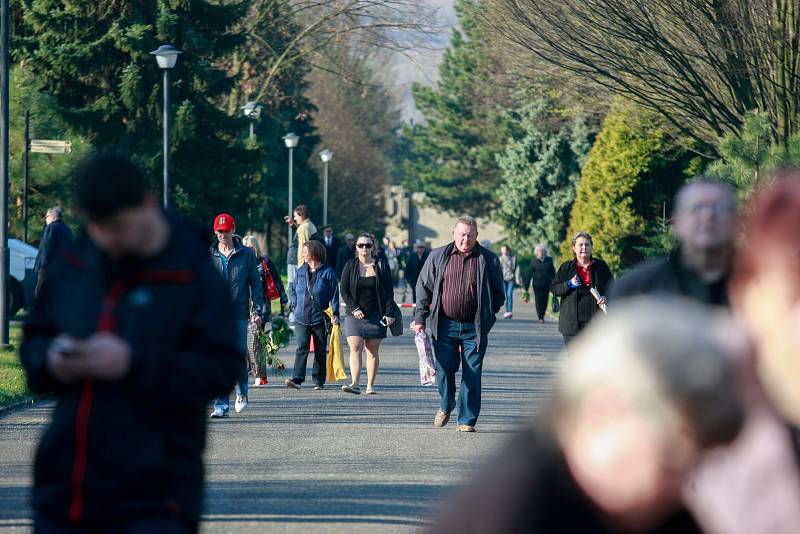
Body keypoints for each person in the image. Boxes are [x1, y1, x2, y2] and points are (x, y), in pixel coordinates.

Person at [20, 154, 241, 532]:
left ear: (147, 205)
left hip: (154, 497)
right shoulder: (78, 260)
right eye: (97, 227)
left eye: (117, 227)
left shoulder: (193, 273)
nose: (106, 239)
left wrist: (132, 362)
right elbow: (35, 338)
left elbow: (220, 369)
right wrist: (50, 360)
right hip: (65, 491)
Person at [430, 299, 744, 534]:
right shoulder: (513, 508)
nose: (685, 485)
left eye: (699, 462)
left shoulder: (657, 508)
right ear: (603, 412)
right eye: (672, 458)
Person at [414, 216, 504, 432]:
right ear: (454, 233)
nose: (466, 239)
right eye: (462, 234)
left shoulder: (489, 260)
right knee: (445, 369)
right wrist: (420, 319)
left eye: (470, 235)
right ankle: (446, 403)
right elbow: (423, 287)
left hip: (475, 328)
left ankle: (466, 419)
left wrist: (488, 314)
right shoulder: (438, 256)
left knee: (472, 372)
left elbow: (499, 294)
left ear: (476, 236)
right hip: (445, 325)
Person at [611, 179, 736, 306]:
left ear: (736, 221)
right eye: (695, 207)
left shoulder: (755, 290)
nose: (708, 214)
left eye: (719, 208)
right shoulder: (636, 290)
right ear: (676, 223)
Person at [209, 213, 264, 417]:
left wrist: (257, 310)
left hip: (239, 312)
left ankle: (242, 393)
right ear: (215, 232)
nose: (223, 234)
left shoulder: (246, 254)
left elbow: (255, 284)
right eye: (219, 231)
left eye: (226, 230)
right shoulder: (210, 254)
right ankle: (221, 404)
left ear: (233, 230)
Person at [339, 233, 396, 395]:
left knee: (372, 351)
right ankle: (355, 383)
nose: (364, 248)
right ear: (356, 247)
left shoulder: (382, 266)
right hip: (354, 315)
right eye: (361, 245)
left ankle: (370, 385)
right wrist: (354, 308)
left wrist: (389, 312)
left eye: (368, 245)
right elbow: (343, 289)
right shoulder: (350, 265)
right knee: (355, 347)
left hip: (376, 315)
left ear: (373, 248)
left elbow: (388, 292)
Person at [285, 240, 339, 390]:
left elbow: (335, 295)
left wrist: (335, 314)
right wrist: (294, 305)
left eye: (304, 251)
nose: (302, 254)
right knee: (301, 347)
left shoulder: (328, 272)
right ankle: (297, 378)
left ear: (313, 253)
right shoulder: (301, 270)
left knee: (320, 349)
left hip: (319, 318)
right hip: (301, 317)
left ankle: (318, 381)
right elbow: (292, 288)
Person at [551, 232, 613, 346]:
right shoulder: (566, 268)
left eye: (587, 244)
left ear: (591, 247)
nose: (584, 248)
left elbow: (612, 287)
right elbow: (554, 289)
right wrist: (569, 284)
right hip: (571, 324)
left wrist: (606, 297)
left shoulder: (601, 266)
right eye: (580, 245)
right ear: (574, 248)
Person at [242, 235, 288, 386]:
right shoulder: (240, 262)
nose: (248, 249)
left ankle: (260, 375)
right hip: (242, 305)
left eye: (250, 246)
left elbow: (276, 280)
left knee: (256, 340)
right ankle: (251, 370)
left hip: (260, 306)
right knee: (246, 341)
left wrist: (283, 299)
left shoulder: (264, 261)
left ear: (255, 247)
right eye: (245, 246)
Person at [33, 206, 73, 296]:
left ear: (52, 217)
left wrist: (42, 265)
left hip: (48, 266)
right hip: (62, 266)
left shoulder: (51, 227)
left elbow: (46, 247)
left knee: (40, 291)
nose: (45, 219)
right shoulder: (67, 229)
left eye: (46, 216)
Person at [523, 244, 556, 323]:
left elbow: (553, 272)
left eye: (542, 251)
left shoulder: (549, 260)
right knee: (538, 299)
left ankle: (542, 315)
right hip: (537, 284)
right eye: (539, 251)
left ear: (545, 252)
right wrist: (526, 287)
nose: (541, 252)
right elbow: (529, 274)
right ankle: (540, 316)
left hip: (547, 283)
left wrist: (556, 282)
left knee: (545, 300)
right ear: (536, 252)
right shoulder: (534, 261)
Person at [498, 245, 522, 319]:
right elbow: (498, 270)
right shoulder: (499, 259)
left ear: (508, 250)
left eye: (505, 250)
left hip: (511, 278)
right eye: (502, 250)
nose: (504, 251)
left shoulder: (513, 258)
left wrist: (517, 279)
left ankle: (509, 311)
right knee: (505, 295)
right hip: (503, 279)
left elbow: (517, 269)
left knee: (509, 294)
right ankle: (507, 311)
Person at [404, 239, 429, 303]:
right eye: (419, 247)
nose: (421, 249)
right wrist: (407, 279)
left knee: (425, 295)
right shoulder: (412, 256)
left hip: (425, 280)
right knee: (415, 295)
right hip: (414, 280)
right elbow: (408, 268)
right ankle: (416, 308)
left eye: (422, 247)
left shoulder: (428, 255)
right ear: (417, 248)